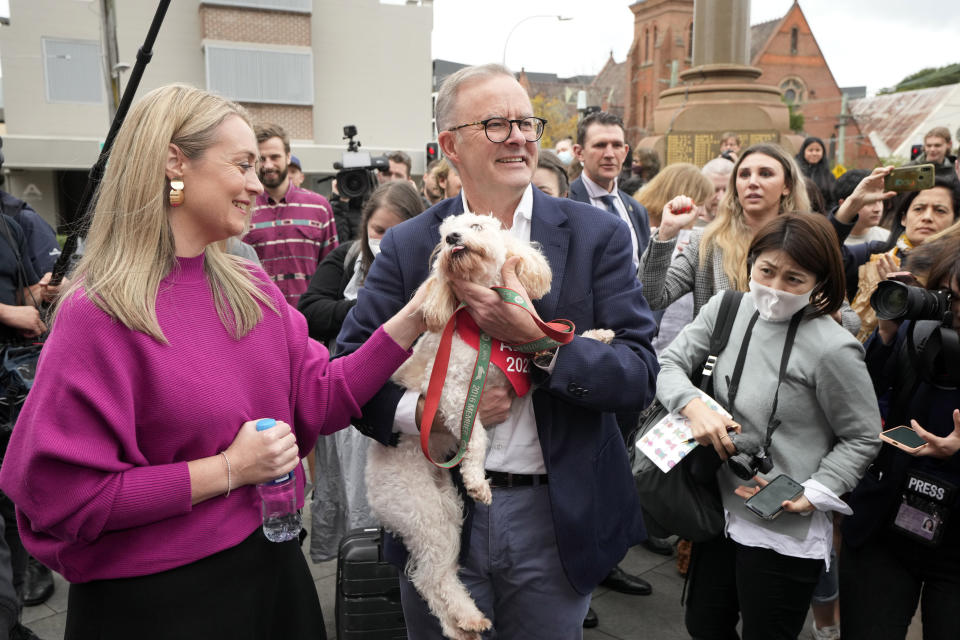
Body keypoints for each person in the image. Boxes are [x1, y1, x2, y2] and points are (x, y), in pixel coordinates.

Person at [0, 84, 428, 640]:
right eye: (242, 164)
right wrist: (230, 469)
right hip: (155, 603)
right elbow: (65, 497)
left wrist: (419, 313)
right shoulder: (99, 311)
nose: (259, 182)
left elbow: (325, 397)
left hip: (272, 572)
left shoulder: (250, 287)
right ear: (174, 161)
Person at [337, 63, 659, 639]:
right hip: (436, 501)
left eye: (526, 122)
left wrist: (537, 342)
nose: (519, 136)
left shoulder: (596, 235)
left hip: (555, 520)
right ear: (449, 146)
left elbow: (636, 375)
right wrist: (430, 417)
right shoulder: (414, 244)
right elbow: (346, 378)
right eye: (494, 123)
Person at [658, 213, 881, 640]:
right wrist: (691, 405)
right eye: (766, 271)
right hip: (714, 507)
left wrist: (813, 494)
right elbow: (669, 363)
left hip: (782, 522)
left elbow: (862, 435)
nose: (775, 289)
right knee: (703, 623)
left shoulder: (834, 347)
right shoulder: (727, 307)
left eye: (794, 279)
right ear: (751, 263)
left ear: (820, 282)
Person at [298, 182, 426, 562]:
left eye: (397, 231)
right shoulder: (346, 259)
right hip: (355, 398)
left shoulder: (427, 266)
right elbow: (311, 309)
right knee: (359, 491)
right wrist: (364, 310)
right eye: (379, 231)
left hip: (410, 401)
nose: (386, 240)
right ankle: (365, 571)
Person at [840, 237, 960, 640]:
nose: (955, 312)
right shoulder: (923, 331)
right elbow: (868, 391)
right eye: (950, 297)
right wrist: (889, 328)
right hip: (887, 522)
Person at [640, 143, 811, 317]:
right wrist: (665, 234)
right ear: (735, 185)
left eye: (765, 174)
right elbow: (651, 297)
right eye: (744, 174)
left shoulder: (807, 242)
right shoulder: (706, 242)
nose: (752, 182)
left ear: (787, 186)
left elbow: (836, 307)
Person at [846, 174, 960, 341]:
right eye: (919, 208)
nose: (927, 217)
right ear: (904, 218)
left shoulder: (952, 271)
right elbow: (819, 256)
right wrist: (851, 204)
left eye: (940, 210)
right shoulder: (875, 254)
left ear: (955, 221)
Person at [243, 122, 338, 306]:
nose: (268, 165)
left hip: (311, 320)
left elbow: (332, 271)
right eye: (262, 158)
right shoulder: (242, 207)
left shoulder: (320, 207)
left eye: (275, 157)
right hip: (261, 320)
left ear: (288, 157)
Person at [569, 111, 651, 271]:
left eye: (617, 145)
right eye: (600, 145)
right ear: (579, 152)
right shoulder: (564, 203)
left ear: (625, 152)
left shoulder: (638, 211)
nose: (609, 154)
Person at [837, 169, 889, 246]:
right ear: (844, 204)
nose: (877, 209)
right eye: (869, 202)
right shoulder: (828, 241)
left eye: (880, 200)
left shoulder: (887, 239)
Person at [796, 137, 837, 210]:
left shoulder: (829, 176)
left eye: (817, 150)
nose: (814, 153)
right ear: (803, 152)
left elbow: (833, 200)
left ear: (823, 153)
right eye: (810, 150)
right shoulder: (795, 172)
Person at [700, 157, 734, 226]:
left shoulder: (748, 229)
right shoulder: (687, 228)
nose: (721, 197)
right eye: (714, 190)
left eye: (727, 190)